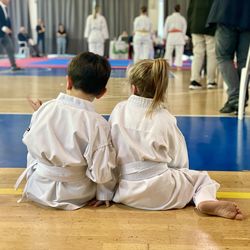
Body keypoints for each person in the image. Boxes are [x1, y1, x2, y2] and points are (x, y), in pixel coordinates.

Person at [109, 58, 243, 220]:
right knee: (201, 179)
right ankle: (204, 200)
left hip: (126, 191)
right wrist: (181, 176)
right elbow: (180, 162)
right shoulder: (164, 118)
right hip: (162, 192)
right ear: (161, 88)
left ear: (133, 88)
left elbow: (111, 149)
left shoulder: (119, 110)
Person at [15, 52, 117, 210]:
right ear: (102, 93)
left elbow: (32, 149)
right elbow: (101, 171)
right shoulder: (98, 124)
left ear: (68, 82)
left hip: (39, 187)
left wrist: (31, 177)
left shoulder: (46, 109)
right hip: (77, 194)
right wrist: (104, 194)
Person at [207, 0, 250, 113]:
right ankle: (240, 98)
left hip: (226, 11)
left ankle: (235, 97)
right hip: (247, 13)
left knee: (223, 57)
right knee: (244, 61)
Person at [187, 0, 217, 90]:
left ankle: (194, 80)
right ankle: (211, 81)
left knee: (197, 54)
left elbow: (190, 11)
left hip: (196, 26)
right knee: (212, 54)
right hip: (211, 26)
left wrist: (189, 29)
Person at [163, 4, 187, 70]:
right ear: (180, 9)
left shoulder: (169, 18)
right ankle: (178, 66)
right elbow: (184, 29)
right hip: (179, 35)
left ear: (174, 9)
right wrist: (184, 37)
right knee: (179, 52)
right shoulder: (182, 18)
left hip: (171, 35)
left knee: (168, 51)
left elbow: (165, 28)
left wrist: (164, 37)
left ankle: (167, 65)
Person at [0, 0, 20, 71]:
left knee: (10, 48)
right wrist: (3, 27)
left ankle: (13, 65)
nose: (9, 1)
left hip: (4, 34)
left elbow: (6, 20)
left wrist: (9, 29)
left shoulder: (5, 8)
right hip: (1, 30)